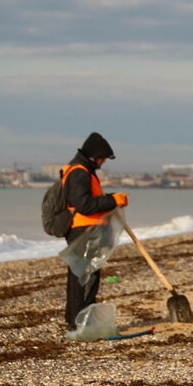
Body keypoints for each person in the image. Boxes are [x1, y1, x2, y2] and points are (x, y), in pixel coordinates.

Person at [62, 132, 128, 331]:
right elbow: (83, 205)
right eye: (102, 159)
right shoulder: (79, 172)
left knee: (81, 276)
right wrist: (112, 201)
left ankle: (75, 320)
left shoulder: (83, 171)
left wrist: (111, 198)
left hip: (86, 230)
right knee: (86, 278)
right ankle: (80, 322)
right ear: (93, 156)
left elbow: (86, 200)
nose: (102, 163)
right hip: (84, 231)